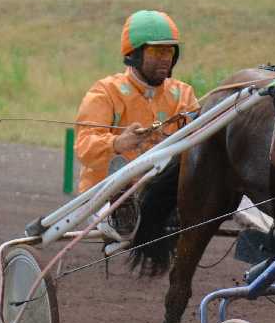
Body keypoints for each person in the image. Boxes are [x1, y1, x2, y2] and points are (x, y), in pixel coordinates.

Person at [74, 10, 200, 194]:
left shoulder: (183, 95)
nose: (165, 58)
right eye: (156, 51)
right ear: (135, 55)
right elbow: (84, 147)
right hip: (105, 198)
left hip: (163, 196)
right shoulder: (105, 92)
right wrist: (117, 143)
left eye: (169, 51)